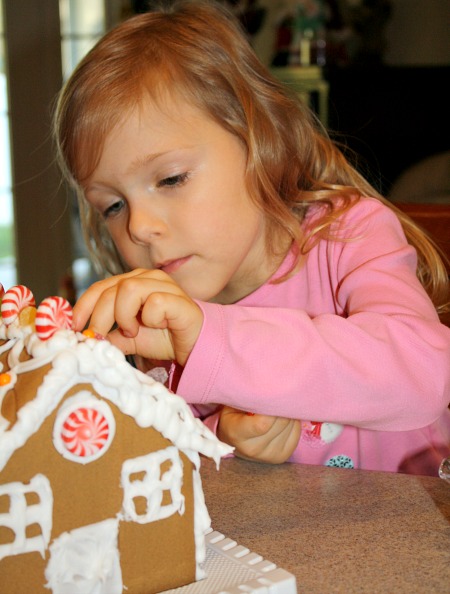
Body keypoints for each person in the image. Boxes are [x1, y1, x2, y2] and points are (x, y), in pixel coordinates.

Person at [53, 0, 450, 475]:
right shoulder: (156, 319)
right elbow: (166, 482)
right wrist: (224, 438)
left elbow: (425, 375)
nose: (138, 226)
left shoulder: (348, 236)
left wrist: (211, 339)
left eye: (172, 178)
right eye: (112, 206)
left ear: (260, 140)